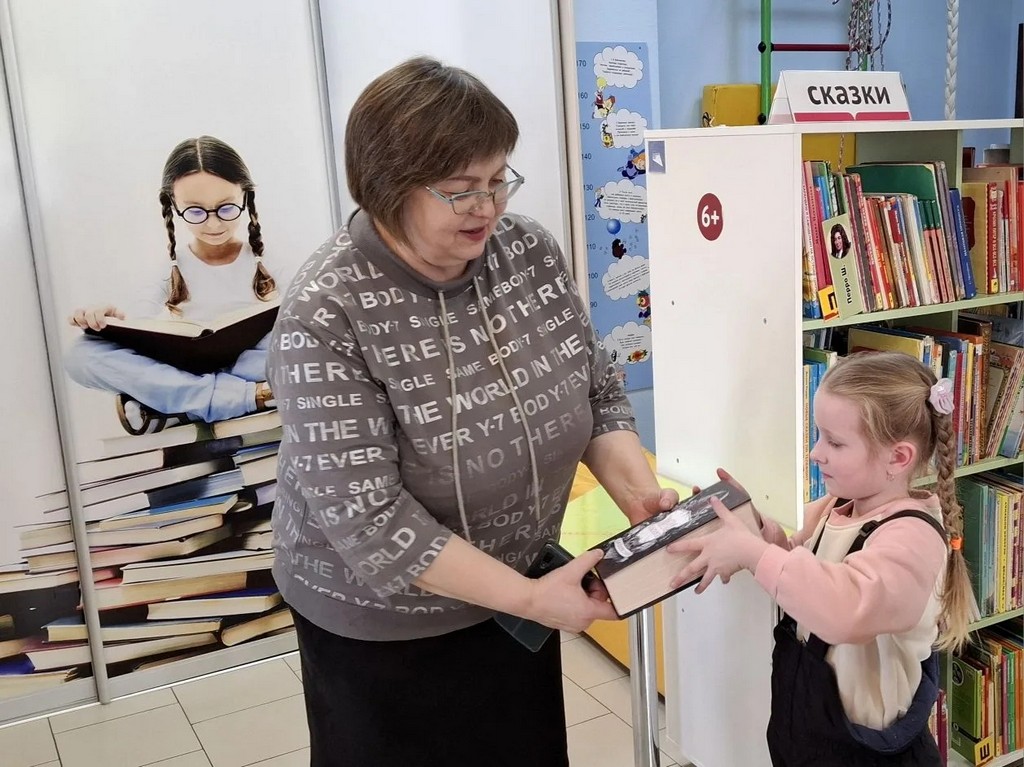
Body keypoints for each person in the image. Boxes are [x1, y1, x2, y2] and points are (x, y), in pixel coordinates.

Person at [268, 56, 677, 767]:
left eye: (497, 180)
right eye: (460, 190)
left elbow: (596, 390)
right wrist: (531, 600)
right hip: (384, 632)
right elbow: (371, 523)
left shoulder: (528, 251)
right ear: (387, 188)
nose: (487, 207)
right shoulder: (325, 314)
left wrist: (638, 496)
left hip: (520, 589)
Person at [670, 351, 972, 766]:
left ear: (898, 458)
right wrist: (760, 534)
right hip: (808, 736)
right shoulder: (835, 508)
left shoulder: (913, 538)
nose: (816, 453)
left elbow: (845, 610)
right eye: (818, 436)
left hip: (869, 754)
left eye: (835, 442)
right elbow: (805, 573)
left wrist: (753, 553)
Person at [65, 136, 278, 434]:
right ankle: (245, 395)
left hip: (251, 364)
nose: (213, 224)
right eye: (195, 211)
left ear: (246, 197)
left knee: (283, 346)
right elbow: (141, 330)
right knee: (81, 354)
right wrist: (112, 322)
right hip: (192, 370)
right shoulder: (166, 268)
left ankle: (177, 401)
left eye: (227, 208)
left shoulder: (276, 259)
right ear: (173, 205)